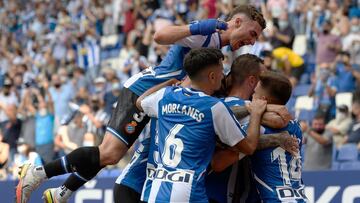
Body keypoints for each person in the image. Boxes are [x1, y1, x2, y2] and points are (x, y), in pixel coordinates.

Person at [16, 5, 266, 203]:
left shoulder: (219, 47)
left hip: (165, 99)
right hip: (146, 90)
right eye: (252, 34)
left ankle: (61, 192)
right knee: (111, 153)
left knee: (115, 154)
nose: (252, 41)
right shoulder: (209, 34)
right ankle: (38, 174)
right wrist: (200, 26)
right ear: (237, 22)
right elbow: (160, 35)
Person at [138, 48, 266, 202]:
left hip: (156, 189)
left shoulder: (166, 95)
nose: (223, 75)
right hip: (189, 191)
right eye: (221, 70)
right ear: (212, 76)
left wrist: (169, 83)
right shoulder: (214, 107)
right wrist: (256, 113)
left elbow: (140, 102)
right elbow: (250, 147)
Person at [211, 71, 307, 202]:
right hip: (300, 198)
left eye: (255, 93)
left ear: (263, 100)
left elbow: (218, 163)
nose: (251, 96)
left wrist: (256, 112)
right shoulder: (296, 126)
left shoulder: (256, 128)